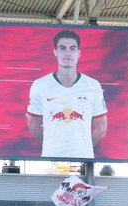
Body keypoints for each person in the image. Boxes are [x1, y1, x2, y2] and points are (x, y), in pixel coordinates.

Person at [27, 29, 108, 159]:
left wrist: (83, 148)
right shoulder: (40, 85)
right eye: (62, 48)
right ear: (55, 52)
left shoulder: (92, 85)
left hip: (84, 160)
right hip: (50, 159)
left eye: (72, 48)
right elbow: (33, 126)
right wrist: (53, 147)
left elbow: (101, 128)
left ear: (79, 53)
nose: (68, 53)